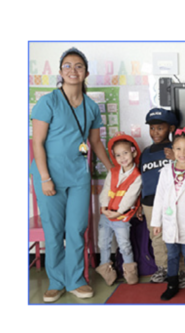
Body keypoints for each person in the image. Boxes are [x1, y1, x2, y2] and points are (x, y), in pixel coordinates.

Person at [30, 46, 113, 300]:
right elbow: (37, 143)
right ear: (60, 72)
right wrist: (44, 178)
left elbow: (96, 143)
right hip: (49, 176)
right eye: (67, 66)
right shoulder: (48, 101)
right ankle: (56, 281)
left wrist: (115, 172)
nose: (72, 70)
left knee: (77, 229)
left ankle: (76, 279)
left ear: (86, 72)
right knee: (54, 232)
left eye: (78, 66)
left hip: (78, 176)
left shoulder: (90, 106)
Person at [151, 127, 185, 300]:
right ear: (172, 150)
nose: (182, 153)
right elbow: (159, 197)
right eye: (178, 149)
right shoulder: (166, 172)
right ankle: (172, 284)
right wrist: (156, 222)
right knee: (172, 255)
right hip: (169, 221)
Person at [95, 134, 142, 286]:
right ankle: (106, 271)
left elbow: (130, 197)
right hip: (107, 214)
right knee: (103, 243)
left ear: (133, 152)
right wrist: (103, 207)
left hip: (122, 217)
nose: (122, 158)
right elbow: (106, 190)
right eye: (118, 155)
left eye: (126, 153)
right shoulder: (113, 172)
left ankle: (130, 273)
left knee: (124, 245)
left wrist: (119, 212)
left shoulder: (137, 176)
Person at [140, 107, 178, 282]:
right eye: (152, 128)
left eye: (160, 128)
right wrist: (139, 203)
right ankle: (163, 268)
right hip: (149, 202)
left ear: (171, 128)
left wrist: (176, 159)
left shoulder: (177, 149)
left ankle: (181, 270)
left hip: (173, 201)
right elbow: (141, 179)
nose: (155, 132)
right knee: (156, 236)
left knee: (177, 233)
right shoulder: (145, 153)